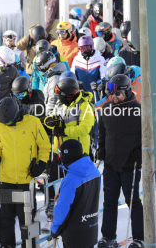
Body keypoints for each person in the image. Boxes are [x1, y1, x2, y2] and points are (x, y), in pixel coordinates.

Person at [0, 97, 50, 248]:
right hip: (6, 177)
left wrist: (41, 163)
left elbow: (45, 145)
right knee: (6, 218)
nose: (7, 125)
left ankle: (29, 245)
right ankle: (7, 245)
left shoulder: (33, 122)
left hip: (26, 179)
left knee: (27, 218)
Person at [97, 74, 143, 248]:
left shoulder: (137, 110)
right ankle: (108, 237)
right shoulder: (107, 108)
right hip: (110, 164)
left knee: (133, 202)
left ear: (126, 91)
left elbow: (146, 135)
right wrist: (101, 149)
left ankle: (139, 237)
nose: (113, 97)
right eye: (111, 93)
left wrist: (139, 152)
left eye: (117, 93)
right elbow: (101, 132)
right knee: (109, 201)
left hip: (130, 164)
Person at [44, 77, 95, 224]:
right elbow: (54, 117)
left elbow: (84, 128)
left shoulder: (85, 106)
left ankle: (79, 205)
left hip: (76, 152)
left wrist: (63, 129)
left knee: (75, 182)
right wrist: (51, 122)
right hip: (59, 149)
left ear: (68, 95)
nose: (58, 97)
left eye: (60, 94)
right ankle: (53, 204)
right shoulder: (61, 103)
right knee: (55, 177)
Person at [51, 139, 101, 248]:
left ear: (68, 154)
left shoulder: (71, 179)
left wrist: (55, 230)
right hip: (90, 231)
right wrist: (62, 190)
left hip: (74, 237)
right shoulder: (94, 171)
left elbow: (62, 209)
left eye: (61, 153)